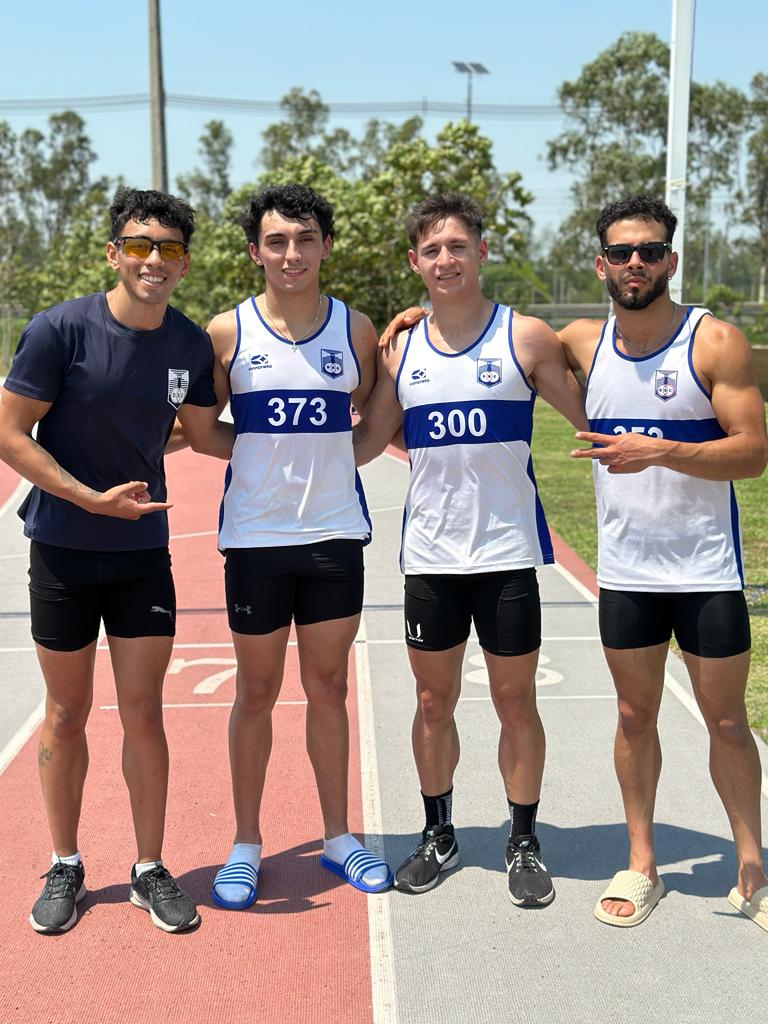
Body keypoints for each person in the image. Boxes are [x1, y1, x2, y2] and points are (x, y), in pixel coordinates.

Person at [0, 187, 233, 934]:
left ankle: (148, 868)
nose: (153, 260)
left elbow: (203, 433)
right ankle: (65, 863)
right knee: (67, 713)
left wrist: (309, 432)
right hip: (63, 553)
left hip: (141, 557)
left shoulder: (188, 345)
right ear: (114, 254)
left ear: (185, 263)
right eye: (139, 245)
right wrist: (87, 498)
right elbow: (10, 432)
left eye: (168, 249)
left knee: (145, 712)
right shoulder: (60, 329)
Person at [354, 193, 586, 904]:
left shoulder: (526, 338)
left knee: (516, 703)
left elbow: (592, 414)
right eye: (432, 250)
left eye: (458, 246)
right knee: (433, 703)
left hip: (507, 555)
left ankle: (523, 840)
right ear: (414, 262)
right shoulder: (401, 350)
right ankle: (439, 834)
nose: (446, 259)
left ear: (481, 252)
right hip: (430, 558)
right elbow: (368, 440)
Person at [559, 194, 768, 930]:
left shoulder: (715, 342)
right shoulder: (582, 342)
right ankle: (641, 862)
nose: (636, 263)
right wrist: (416, 316)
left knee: (728, 723)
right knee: (632, 714)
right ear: (602, 265)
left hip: (706, 572)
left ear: (670, 260)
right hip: (627, 573)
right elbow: (493, 335)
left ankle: (752, 868)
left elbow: (753, 452)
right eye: (622, 252)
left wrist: (662, 450)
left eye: (649, 251)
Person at [206, 183, 392, 908]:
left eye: (305, 239)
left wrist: (336, 461)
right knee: (255, 692)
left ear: (325, 246)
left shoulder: (355, 329)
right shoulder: (227, 332)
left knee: (329, 687)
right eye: (277, 241)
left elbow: (372, 417)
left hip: (334, 537)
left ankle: (339, 837)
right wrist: (262, 448)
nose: (292, 253)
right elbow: (202, 429)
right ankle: (246, 844)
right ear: (255, 251)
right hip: (256, 539)